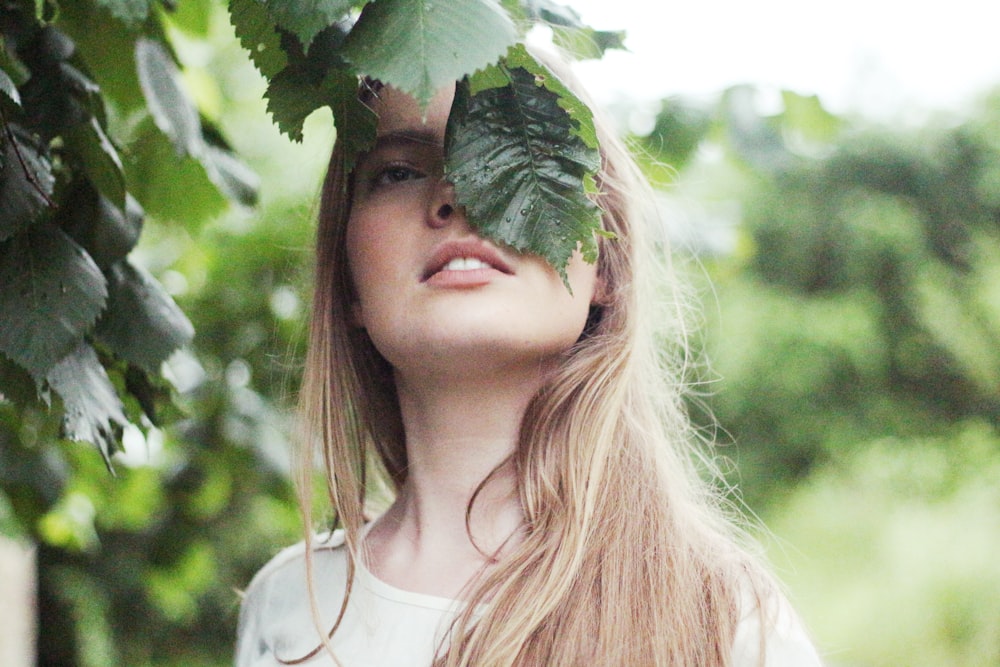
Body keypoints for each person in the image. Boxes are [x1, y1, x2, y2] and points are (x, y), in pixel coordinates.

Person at [235, 54, 824, 666]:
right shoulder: (286, 609)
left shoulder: (724, 621)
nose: (457, 192)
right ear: (349, 279)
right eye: (400, 172)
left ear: (605, 265)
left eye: (518, 155)